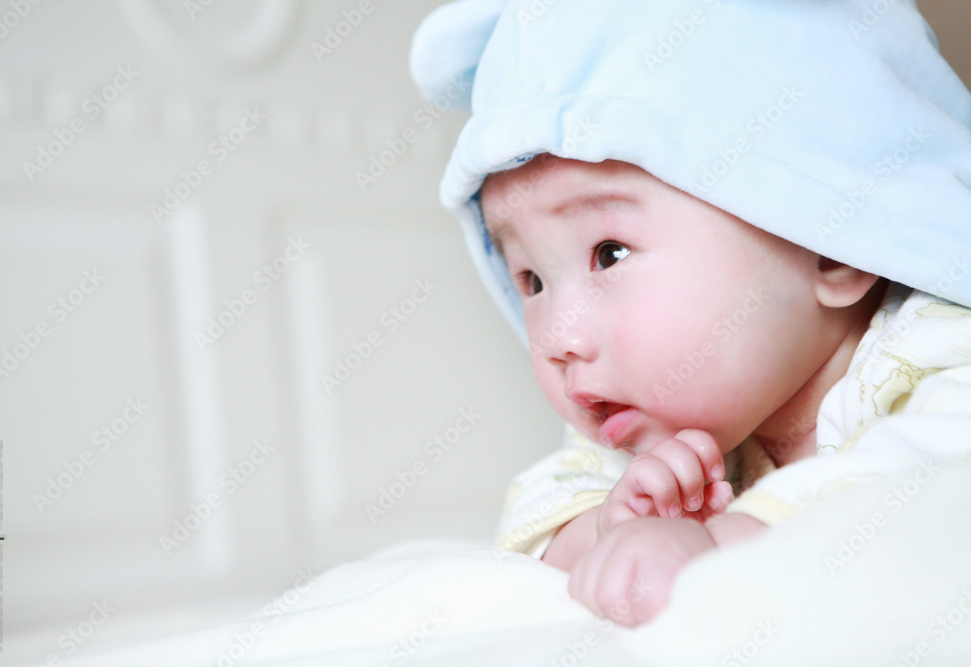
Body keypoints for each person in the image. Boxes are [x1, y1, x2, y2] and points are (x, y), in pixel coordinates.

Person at [409, 0, 971, 626]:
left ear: (831, 248)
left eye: (609, 253)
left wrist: (729, 540)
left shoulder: (939, 354)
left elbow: (931, 487)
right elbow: (535, 522)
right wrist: (608, 529)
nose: (559, 339)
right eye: (532, 280)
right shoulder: (638, 432)